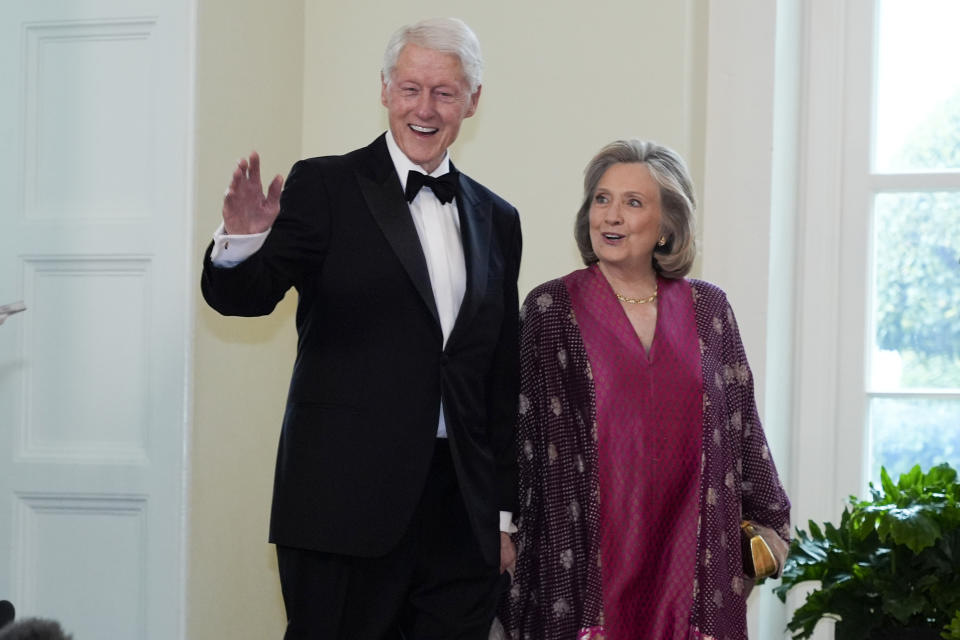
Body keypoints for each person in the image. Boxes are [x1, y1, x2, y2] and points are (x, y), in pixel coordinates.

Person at [201, 17, 521, 640]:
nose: (423, 109)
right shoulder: (324, 185)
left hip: (460, 515)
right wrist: (241, 242)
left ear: (473, 101)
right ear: (384, 90)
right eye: (409, 89)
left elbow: (499, 377)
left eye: (444, 92)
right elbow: (244, 298)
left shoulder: (498, 217)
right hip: (340, 512)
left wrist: (502, 515)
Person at [500, 139, 790, 639]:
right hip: (587, 562)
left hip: (691, 563)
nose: (611, 216)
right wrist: (503, 527)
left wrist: (767, 520)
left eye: (633, 203)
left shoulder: (709, 310)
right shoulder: (551, 309)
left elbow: (741, 423)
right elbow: (519, 432)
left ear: (667, 225)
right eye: (601, 199)